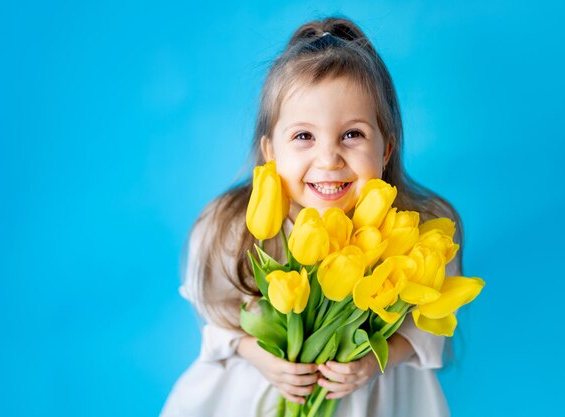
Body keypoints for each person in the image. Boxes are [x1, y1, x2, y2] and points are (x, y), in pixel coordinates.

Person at [160, 16, 463, 417]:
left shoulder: (420, 230)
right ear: (270, 151)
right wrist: (260, 355)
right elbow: (217, 324)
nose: (328, 158)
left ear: (386, 149)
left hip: (374, 398)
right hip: (252, 395)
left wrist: (375, 361)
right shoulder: (232, 226)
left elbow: (427, 329)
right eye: (304, 136)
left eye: (352, 134)